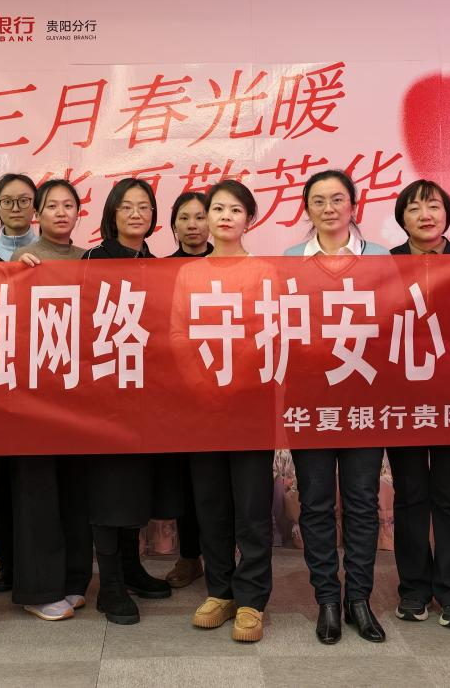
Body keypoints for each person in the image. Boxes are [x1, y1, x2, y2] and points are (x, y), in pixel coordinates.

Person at [282, 170, 388, 644]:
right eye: (319, 200)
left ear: (353, 206)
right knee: (317, 503)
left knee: (362, 503)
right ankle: (327, 598)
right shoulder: (289, 260)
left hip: (365, 398)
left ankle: (358, 599)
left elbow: (399, 318)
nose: (329, 208)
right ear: (307, 208)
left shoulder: (379, 257)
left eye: (338, 199)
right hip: (310, 399)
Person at [176, 180, 274, 643]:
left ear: (249, 219)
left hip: (251, 405)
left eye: (236, 209)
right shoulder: (189, 273)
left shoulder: (265, 271)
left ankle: (252, 598)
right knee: (211, 503)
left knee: (251, 506)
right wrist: (202, 384)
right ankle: (220, 590)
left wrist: (238, 382)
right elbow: (177, 334)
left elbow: (272, 332)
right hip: (203, 407)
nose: (225, 217)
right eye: (217, 209)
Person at [82, 178, 176, 625]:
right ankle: (110, 585)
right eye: (127, 207)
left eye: (144, 207)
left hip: (146, 395)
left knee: (137, 486)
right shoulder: (92, 260)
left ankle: (132, 568)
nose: (136, 214)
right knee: (108, 488)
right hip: (103, 395)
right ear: (112, 214)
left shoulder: (157, 266)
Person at [387, 179, 450, 629]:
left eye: (434, 206)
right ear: (401, 218)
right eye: (414, 207)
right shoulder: (382, 265)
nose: (425, 215)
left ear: (448, 215)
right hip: (400, 397)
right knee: (409, 496)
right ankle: (414, 589)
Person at [10, 179, 94, 621]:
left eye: (69, 205)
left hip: (79, 391)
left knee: (76, 488)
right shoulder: (24, 259)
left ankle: (74, 580)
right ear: (36, 215)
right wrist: (17, 273)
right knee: (39, 490)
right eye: (52, 206)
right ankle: (39, 588)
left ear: (79, 212)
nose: (61, 212)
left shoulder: (89, 259)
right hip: (36, 391)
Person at [0, 172, 39, 591]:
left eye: (24, 200)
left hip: (40, 374)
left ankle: (35, 559)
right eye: (8, 201)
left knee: (32, 475)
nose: (16, 207)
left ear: (35, 207)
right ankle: (6, 560)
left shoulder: (50, 249)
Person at [163, 190, 211, 589]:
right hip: (179, 389)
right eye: (184, 218)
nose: (192, 225)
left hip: (225, 387)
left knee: (220, 477)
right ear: (173, 225)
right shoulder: (161, 270)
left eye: (200, 217)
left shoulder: (229, 263)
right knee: (186, 478)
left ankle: (222, 555)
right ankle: (190, 556)